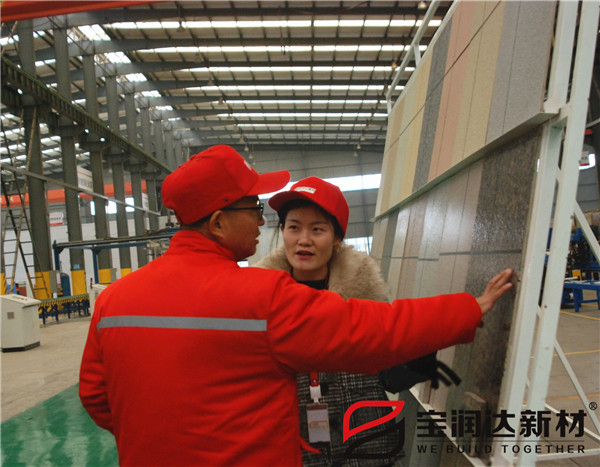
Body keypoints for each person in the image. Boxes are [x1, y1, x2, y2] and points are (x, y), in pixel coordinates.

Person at [79, 145, 514, 467]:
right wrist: (467, 308)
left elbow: (97, 397)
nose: (261, 221)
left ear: (336, 237)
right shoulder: (262, 296)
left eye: (317, 228)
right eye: (254, 208)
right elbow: (373, 328)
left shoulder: (115, 300)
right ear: (218, 222)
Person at [256, 176, 423, 466]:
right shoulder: (260, 304)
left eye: (317, 229)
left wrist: (417, 351)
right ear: (282, 231)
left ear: (337, 237)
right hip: (294, 453)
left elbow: (393, 377)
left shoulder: (366, 300)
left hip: (367, 451)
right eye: (294, 227)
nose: (304, 239)